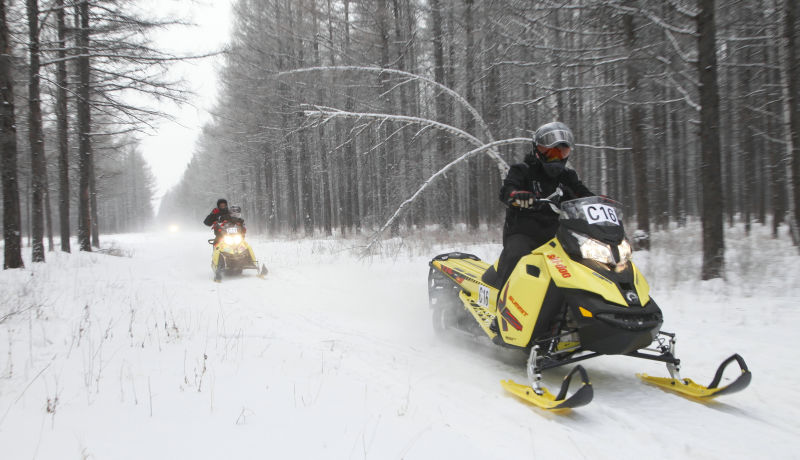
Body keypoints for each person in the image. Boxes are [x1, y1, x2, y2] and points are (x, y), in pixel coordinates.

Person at [489, 121, 594, 290]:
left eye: (562, 152)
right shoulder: (523, 170)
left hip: (558, 236)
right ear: (538, 150)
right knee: (517, 255)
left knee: (587, 260)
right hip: (523, 232)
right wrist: (516, 195)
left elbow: (582, 193)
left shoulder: (568, 176)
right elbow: (507, 189)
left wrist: (596, 201)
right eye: (551, 152)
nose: (557, 158)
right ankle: (501, 304)